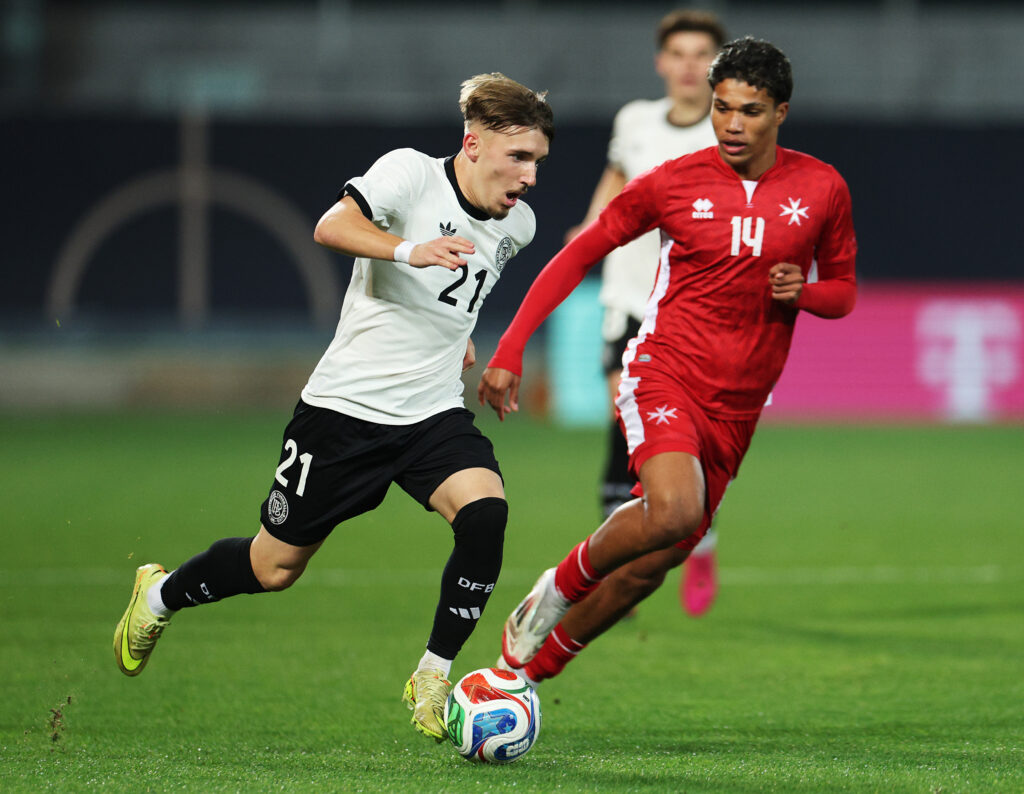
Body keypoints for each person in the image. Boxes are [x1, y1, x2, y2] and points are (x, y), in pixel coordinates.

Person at [113, 73, 555, 742]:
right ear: (472, 145)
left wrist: (463, 341)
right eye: (518, 157)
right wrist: (411, 249)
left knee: (486, 514)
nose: (529, 176)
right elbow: (332, 225)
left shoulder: (517, 224)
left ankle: (432, 674)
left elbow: (461, 293)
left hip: (431, 413)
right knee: (274, 568)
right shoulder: (409, 175)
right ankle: (157, 595)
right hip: (345, 412)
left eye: (537, 161)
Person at [478, 38, 856, 688]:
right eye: (722, 107)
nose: (733, 124)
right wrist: (510, 346)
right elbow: (578, 255)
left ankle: (527, 674)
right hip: (666, 370)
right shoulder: (675, 183)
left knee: (655, 563)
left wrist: (808, 294)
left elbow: (844, 292)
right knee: (676, 511)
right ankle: (557, 586)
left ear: (781, 113)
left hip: (738, 406)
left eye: (751, 111)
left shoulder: (822, 187)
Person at [570, 9, 727, 617]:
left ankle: (703, 540)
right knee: (625, 417)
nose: (689, 66)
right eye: (679, 53)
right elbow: (614, 175)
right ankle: (617, 561)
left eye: (701, 56)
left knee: (689, 437)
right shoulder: (634, 120)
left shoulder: (728, 132)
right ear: (661, 62)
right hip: (631, 294)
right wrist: (590, 227)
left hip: (696, 306)